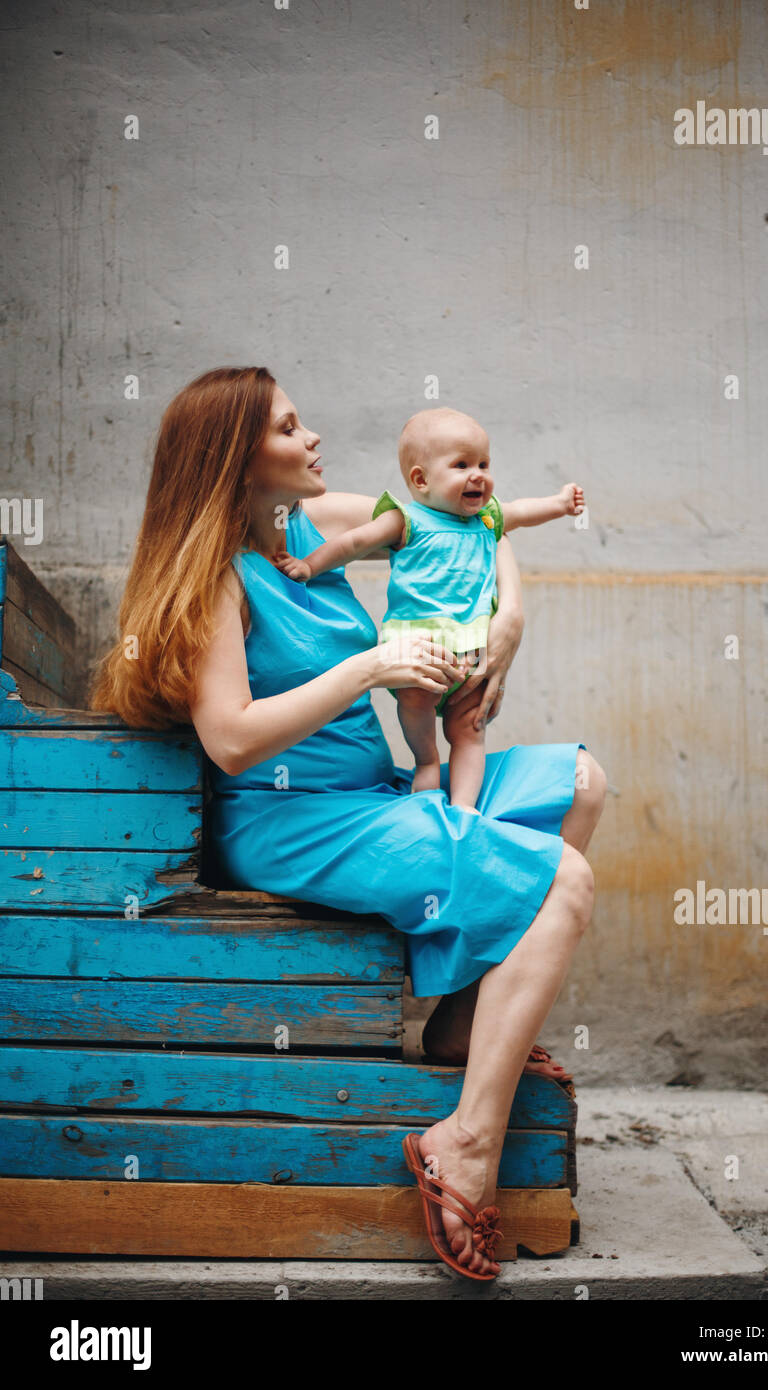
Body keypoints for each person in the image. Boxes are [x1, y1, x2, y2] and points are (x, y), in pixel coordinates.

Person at [89, 366, 606, 1281]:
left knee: (579, 783)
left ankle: (457, 1025)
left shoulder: (305, 527)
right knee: (562, 883)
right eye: (290, 429)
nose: (314, 438)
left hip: (378, 794)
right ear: (237, 461)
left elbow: (471, 522)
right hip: (294, 819)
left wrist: (509, 624)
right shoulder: (220, 581)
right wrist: (372, 666)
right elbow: (233, 741)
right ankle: (465, 1143)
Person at [274, 405, 584, 810]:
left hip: (471, 649)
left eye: (484, 463)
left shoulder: (487, 520)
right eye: (461, 465)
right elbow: (354, 543)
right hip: (418, 647)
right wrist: (309, 565)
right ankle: (426, 762)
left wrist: (560, 504)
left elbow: (522, 513)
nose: (479, 474)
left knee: (470, 729)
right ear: (421, 480)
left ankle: (465, 806)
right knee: (415, 706)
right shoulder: (407, 520)